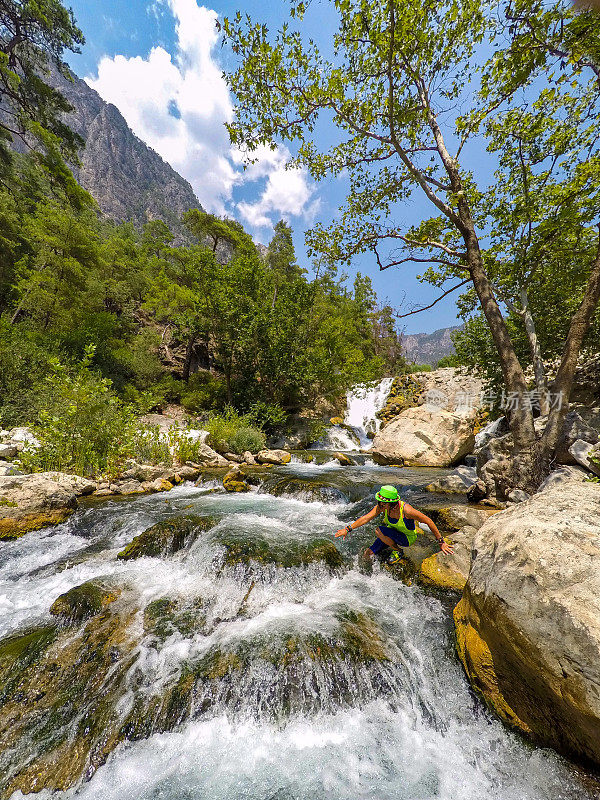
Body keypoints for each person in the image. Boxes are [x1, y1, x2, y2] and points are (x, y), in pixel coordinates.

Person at [335, 484, 453, 562]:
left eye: (383, 503)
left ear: (392, 503)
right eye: (379, 502)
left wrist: (441, 542)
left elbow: (428, 521)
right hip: (391, 535)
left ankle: (398, 551)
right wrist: (347, 529)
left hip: (406, 539)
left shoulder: (407, 510)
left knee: (378, 530)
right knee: (367, 554)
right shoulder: (383, 507)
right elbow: (366, 518)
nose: (380, 505)